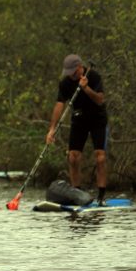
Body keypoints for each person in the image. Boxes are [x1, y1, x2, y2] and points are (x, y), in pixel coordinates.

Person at [45, 54, 108, 205]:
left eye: (73, 72)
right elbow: (60, 104)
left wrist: (86, 88)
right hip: (79, 119)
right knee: (73, 157)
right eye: (69, 72)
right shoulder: (65, 83)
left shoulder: (93, 76)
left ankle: (101, 196)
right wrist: (52, 129)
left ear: (80, 67)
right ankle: (77, 194)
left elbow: (100, 100)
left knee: (100, 157)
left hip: (97, 119)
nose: (71, 75)